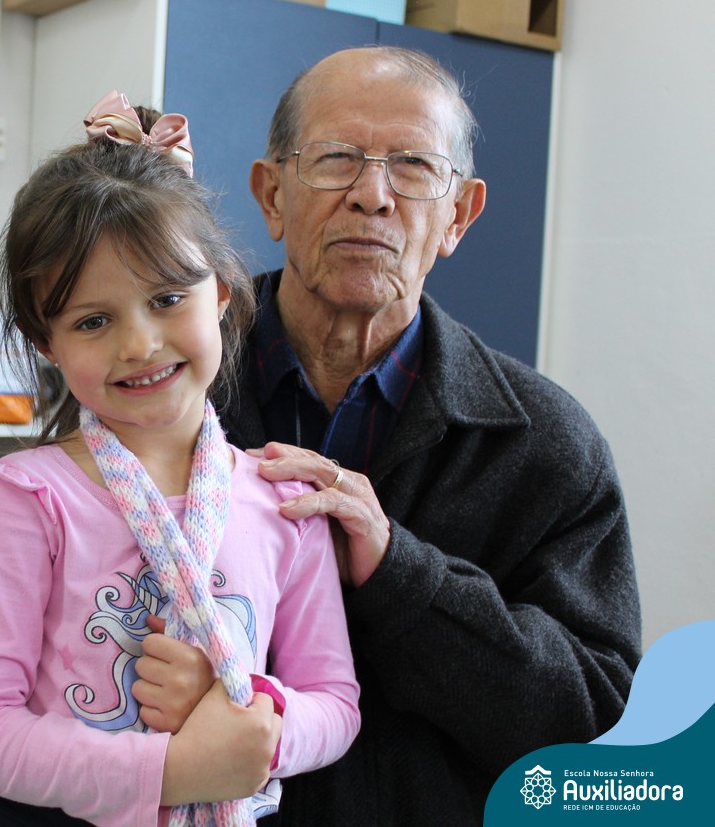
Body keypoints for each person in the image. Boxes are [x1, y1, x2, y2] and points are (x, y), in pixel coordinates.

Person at [228, 45, 642, 825]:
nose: (371, 196)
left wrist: (401, 574)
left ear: (458, 215)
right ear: (272, 193)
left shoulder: (547, 445)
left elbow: (595, 725)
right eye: (336, 157)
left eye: (413, 165)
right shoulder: (160, 389)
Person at [0, 92, 360, 826]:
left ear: (220, 293)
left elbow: (336, 704)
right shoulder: (28, 500)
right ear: (46, 344)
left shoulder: (283, 502)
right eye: (94, 320)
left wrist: (248, 712)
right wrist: (174, 770)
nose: (138, 344)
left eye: (167, 299)